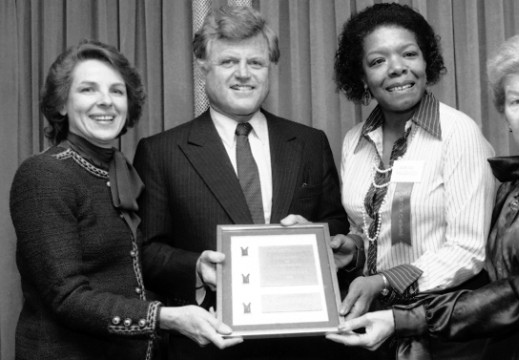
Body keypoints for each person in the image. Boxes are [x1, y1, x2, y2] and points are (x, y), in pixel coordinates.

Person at [327, 31, 519, 360]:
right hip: (508, 344)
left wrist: (403, 318)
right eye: (516, 101)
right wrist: (358, 251)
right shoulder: (515, 183)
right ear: (506, 117)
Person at [132, 5, 349, 360]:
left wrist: (316, 234)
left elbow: (336, 222)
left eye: (256, 63)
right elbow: (147, 250)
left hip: (303, 345)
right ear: (204, 67)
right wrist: (197, 267)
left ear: (270, 68)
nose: (244, 74)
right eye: (229, 62)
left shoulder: (310, 143)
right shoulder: (161, 152)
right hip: (211, 343)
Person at [9, 40, 242, 360]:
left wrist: (198, 267)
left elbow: (134, 265)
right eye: (88, 90)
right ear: (61, 104)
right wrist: (165, 318)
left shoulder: (122, 172)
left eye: (117, 91)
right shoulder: (44, 175)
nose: (106, 102)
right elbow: (66, 297)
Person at [329, 3, 495, 359]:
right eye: (377, 61)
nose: (398, 68)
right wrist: (353, 247)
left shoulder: (459, 133)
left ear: (426, 62)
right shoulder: (353, 142)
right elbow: (372, 227)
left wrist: (385, 280)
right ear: (361, 76)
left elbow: (467, 250)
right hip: (376, 325)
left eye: (409, 53)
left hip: (446, 326)